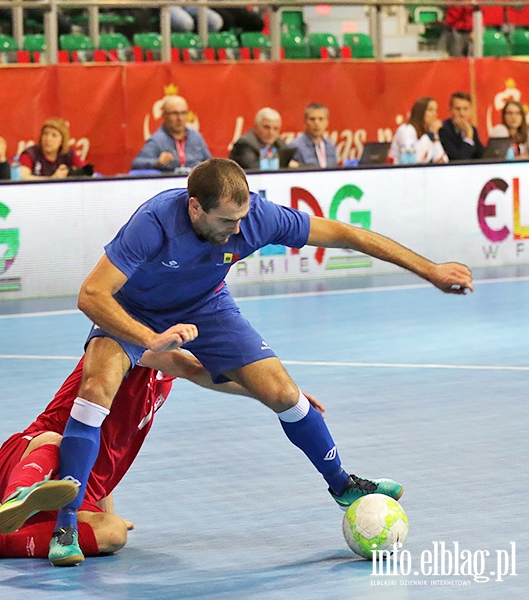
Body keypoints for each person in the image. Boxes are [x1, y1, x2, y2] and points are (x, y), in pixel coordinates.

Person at [25, 158, 472, 567]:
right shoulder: (154, 222)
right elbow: (91, 294)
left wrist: (429, 269)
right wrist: (150, 340)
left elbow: (345, 234)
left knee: (283, 393)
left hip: (206, 305)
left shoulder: (256, 217)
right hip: (135, 311)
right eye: (226, 222)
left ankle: (342, 484)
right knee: (95, 388)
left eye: (241, 220)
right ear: (195, 208)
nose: (237, 232)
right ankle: (66, 524)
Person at [0, 350, 325, 563]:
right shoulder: (123, 348)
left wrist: (280, 396)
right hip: (29, 454)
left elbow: (110, 447)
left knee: (113, 533)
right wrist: (267, 389)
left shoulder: (166, 376)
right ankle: (20, 495)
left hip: (70, 487)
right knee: (54, 437)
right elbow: (200, 368)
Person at [131, 95, 212, 173]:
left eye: (183, 113)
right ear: (164, 116)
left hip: (194, 182)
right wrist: (157, 162)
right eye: (174, 113)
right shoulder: (157, 140)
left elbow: (210, 163)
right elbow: (137, 163)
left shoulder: (196, 137)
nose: (180, 118)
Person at [19, 118, 85, 180]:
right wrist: (52, 179)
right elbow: (22, 177)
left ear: (62, 141)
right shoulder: (30, 154)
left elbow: (87, 173)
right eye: (45, 134)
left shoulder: (69, 154)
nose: (48, 139)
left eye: (54, 135)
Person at [389, 97, 448, 165]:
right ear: (420, 112)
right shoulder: (406, 130)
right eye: (430, 110)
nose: (434, 114)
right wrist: (430, 135)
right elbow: (409, 161)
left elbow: (443, 161)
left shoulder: (430, 134)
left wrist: (433, 136)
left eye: (436, 110)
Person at [288, 103, 337, 169]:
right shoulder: (295, 147)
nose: (317, 123)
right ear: (305, 121)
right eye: (312, 119)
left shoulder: (330, 146)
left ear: (327, 122)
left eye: (321, 119)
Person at [438, 92, 484, 161]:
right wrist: (468, 137)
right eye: (457, 109)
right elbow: (459, 159)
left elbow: (482, 156)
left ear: (471, 111)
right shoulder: (443, 130)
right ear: (450, 111)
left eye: (465, 109)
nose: (462, 114)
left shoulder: (472, 129)